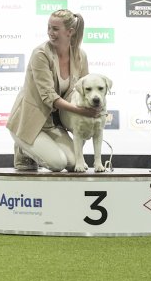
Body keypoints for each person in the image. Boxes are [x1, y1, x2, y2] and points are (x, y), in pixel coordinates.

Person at [6, 9, 100, 171]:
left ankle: (38, 148)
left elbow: (84, 92)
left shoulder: (80, 56)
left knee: (74, 163)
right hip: (29, 122)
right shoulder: (40, 54)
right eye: (49, 27)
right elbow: (49, 96)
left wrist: (95, 110)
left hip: (54, 125)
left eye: (55, 29)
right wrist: (81, 111)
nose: (50, 32)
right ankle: (23, 149)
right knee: (58, 164)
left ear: (70, 31)